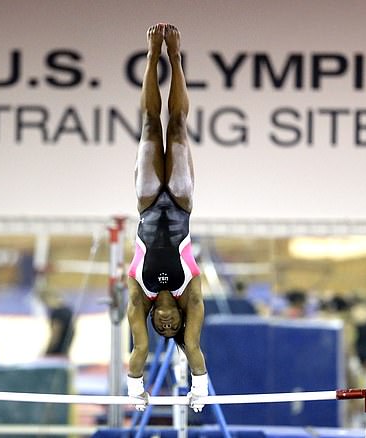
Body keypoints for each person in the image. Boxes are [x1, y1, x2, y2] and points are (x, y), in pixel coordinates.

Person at [126, 23, 207, 413]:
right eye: (172, 327)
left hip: (145, 203)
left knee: (147, 125)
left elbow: (140, 347)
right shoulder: (189, 294)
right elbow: (192, 346)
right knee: (176, 126)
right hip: (179, 202)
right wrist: (199, 388)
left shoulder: (137, 293)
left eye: (164, 326)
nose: (168, 326)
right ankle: (175, 58)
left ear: (156, 318)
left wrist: (134, 388)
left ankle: (152, 55)